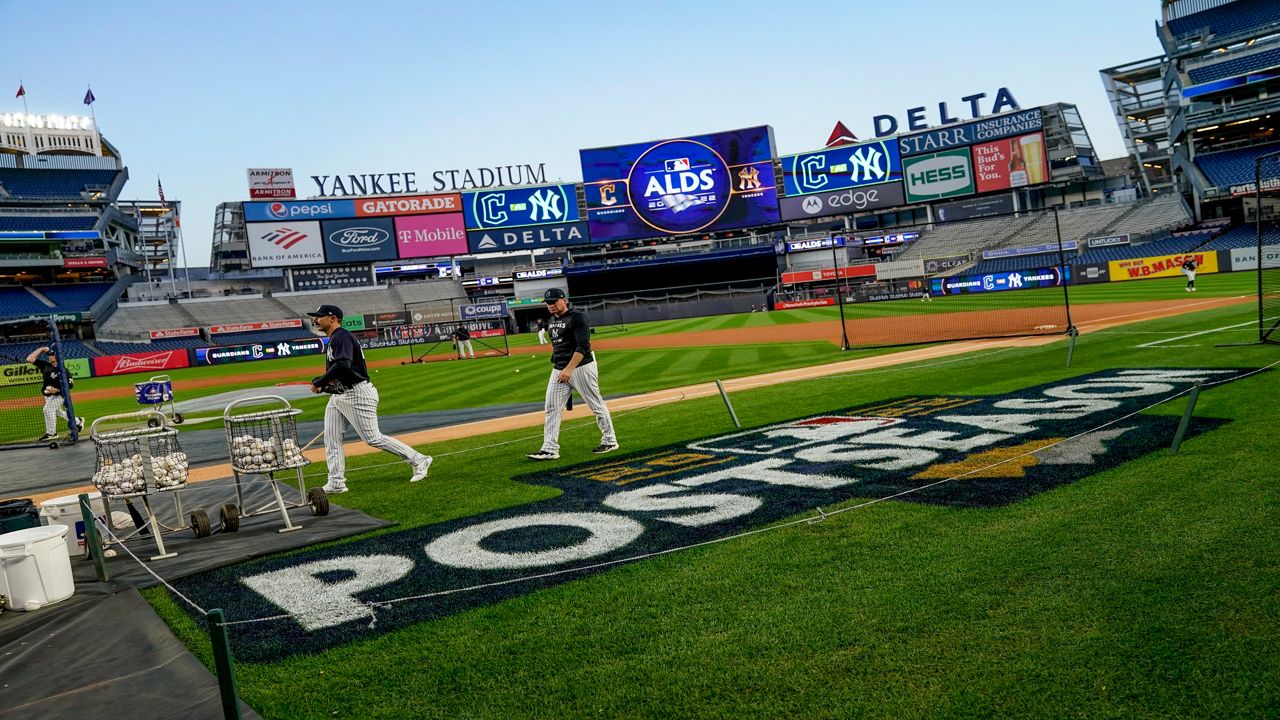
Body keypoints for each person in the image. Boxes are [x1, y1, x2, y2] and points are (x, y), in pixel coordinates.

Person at [307, 304, 432, 493]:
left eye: (319, 316)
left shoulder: (341, 336)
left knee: (373, 438)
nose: (316, 320)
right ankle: (336, 482)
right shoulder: (335, 338)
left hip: (357, 394)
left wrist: (319, 381)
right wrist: (326, 385)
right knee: (331, 439)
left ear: (332, 318)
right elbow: (342, 371)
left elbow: (343, 364)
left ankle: (419, 459)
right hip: (341, 395)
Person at [527, 288, 618, 460]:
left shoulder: (577, 318)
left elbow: (583, 346)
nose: (551, 305)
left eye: (554, 301)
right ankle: (550, 448)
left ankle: (610, 440)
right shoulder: (552, 320)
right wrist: (558, 365)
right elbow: (558, 346)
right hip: (559, 369)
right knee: (552, 408)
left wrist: (569, 369)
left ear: (564, 300)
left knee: (595, 404)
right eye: (548, 303)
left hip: (581, 366)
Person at [26, 346, 83, 442]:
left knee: (47, 409)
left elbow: (70, 385)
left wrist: (56, 390)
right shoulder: (45, 365)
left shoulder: (63, 370)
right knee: (57, 412)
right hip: (48, 395)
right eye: (49, 355)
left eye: (51, 355)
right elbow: (29, 359)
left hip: (60, 395)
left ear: (57, 356)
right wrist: (41, 349)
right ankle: (78, 421)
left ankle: (51, 433)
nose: (49, 356)